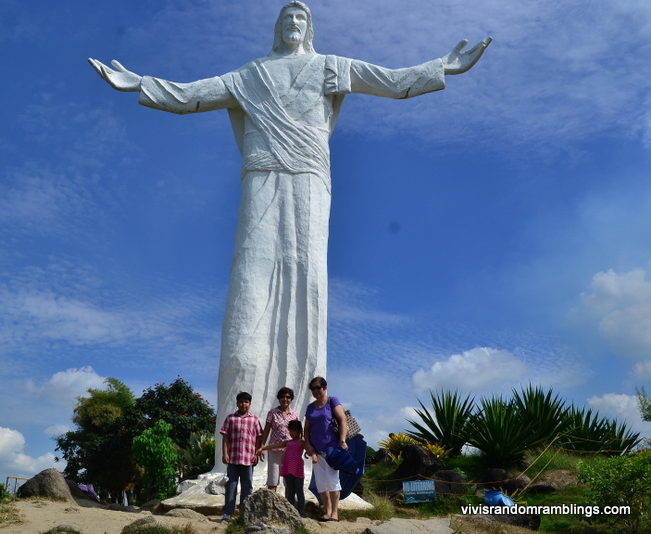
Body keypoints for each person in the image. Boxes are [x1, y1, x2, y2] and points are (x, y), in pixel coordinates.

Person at [88, 2, 491, 469]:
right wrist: (139, 82)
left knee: (307, 279)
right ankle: (235, 458)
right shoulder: (252, 75)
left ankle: (302, 447)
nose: (294, 25)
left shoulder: (331, 67)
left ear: (310, 28)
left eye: (301, 19)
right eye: (286, 20)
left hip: (309, 179)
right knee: (248, 286)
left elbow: (392, 81)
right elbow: (189, 95)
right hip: (261, 176)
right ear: (277, 29)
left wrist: (442, 67)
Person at [303, 376, 346, 521]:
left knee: (333, 480)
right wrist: (307, 444)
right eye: (313, 388)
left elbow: (342, 420)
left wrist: (342, 440)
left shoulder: (332, 401)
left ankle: (335, 513)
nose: (316, 391)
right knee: (321, 482)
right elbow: (307, 428)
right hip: (316, 451)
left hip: (332, 449)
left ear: (324, 387)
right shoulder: (310, 407)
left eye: (318, 387)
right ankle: (327, 511)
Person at [219, 391, 263, 521]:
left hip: (248, 458)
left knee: (247, 485)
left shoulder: (254, 419)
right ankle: (228, 512)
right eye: (241, 401)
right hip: (233, 457)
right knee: (231, 484)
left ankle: (245, 512)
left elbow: (259, 438)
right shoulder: (230, 418)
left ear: (250, 404)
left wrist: (256, 453)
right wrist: (225, 453)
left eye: (246, 402)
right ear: (237, 403)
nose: (243, 404)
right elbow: (225, 437)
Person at [258, 419, 316, 516]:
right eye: (290, 430)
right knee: (291, 492)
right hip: (288, 469)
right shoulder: (287, 442)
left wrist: (313, 455)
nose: (292, 433)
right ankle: (291, 512)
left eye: (294, 430)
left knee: (299, 492)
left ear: (299, 431)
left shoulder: (301, 442)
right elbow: (275, 445)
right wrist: (262, 448)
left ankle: (301, 512)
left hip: (297, 470)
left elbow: (309, 448)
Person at [259, 387, 300, 492]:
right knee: (273, 480)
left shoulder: (295, 414)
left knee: (289, 482)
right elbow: (266, 431)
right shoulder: (272, 413)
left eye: (288, 397)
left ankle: (287, 506)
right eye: (282, 397)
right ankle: (270, 506)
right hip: (274, 450)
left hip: (290, 451)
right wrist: (262, 447)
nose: (285, 399)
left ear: (291, 399)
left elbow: (298, 432)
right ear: (278, 398)